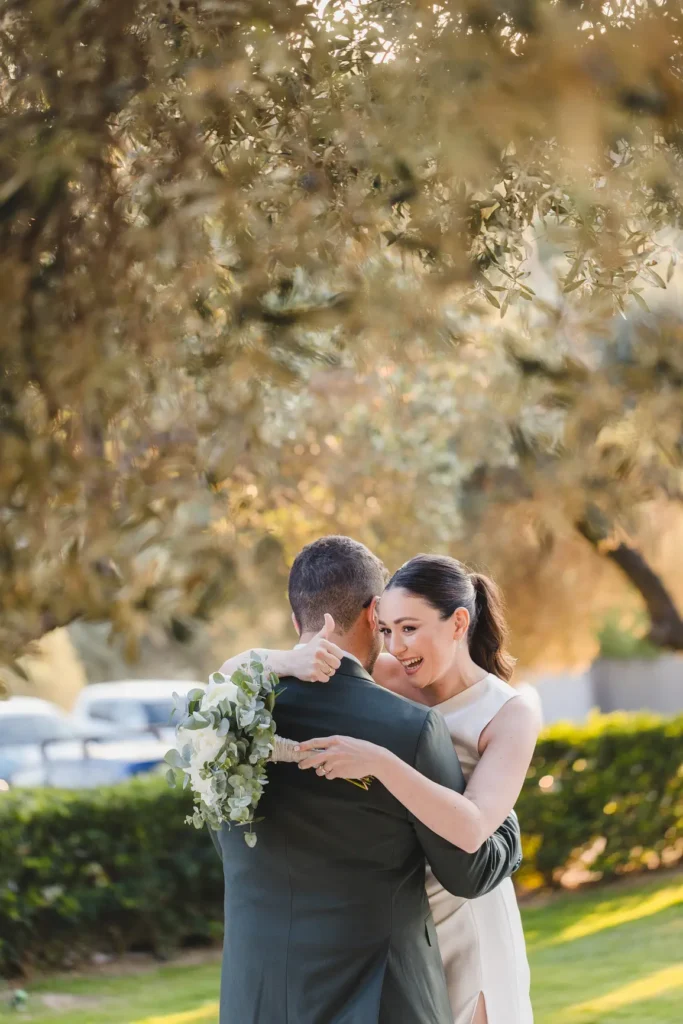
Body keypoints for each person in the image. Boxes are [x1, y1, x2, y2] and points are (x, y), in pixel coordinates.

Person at [212, 536, 522, 1024]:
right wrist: (282, 659)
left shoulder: (225, 724)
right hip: (394, 953)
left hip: (457, 896)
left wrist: (379, 761)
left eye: (410, 628)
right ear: (374, 617)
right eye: (391, 629)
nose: (398, 645)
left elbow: (473, 833)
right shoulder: (399, 703)